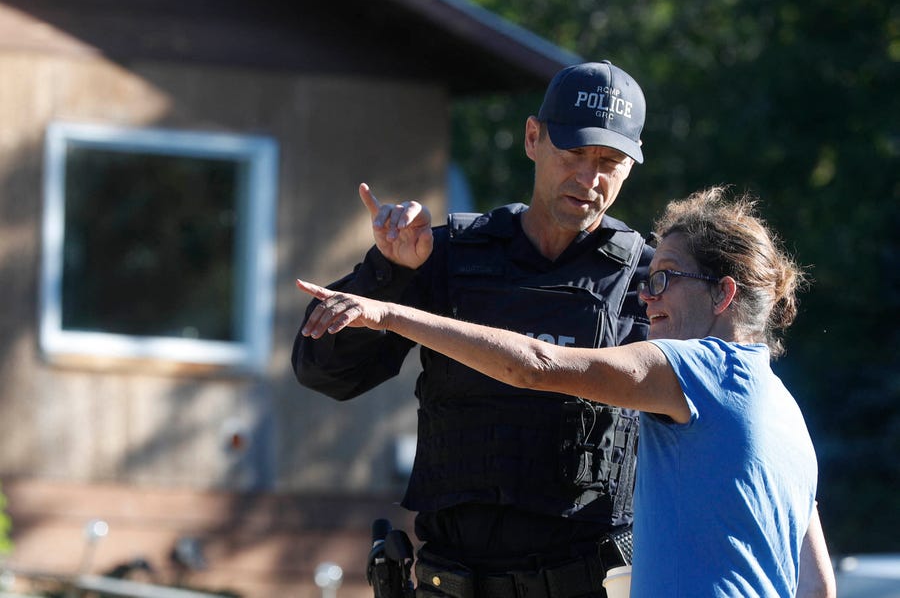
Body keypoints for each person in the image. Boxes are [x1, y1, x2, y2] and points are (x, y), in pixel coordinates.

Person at [296, 186, 837, 597]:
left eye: (664, 277)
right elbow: (819, 588)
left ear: (723, 294)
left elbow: (536, 365)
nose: (647, 298)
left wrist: (389, 313)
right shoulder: (785, 413)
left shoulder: (701, 368)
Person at [293, 60, 654, 596]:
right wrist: (389, 272)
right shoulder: (448, 257)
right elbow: (324, 372)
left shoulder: (653, 282)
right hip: (450, 582)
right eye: (573, 152)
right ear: (533, 138)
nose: (589, 177)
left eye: (610, 160)